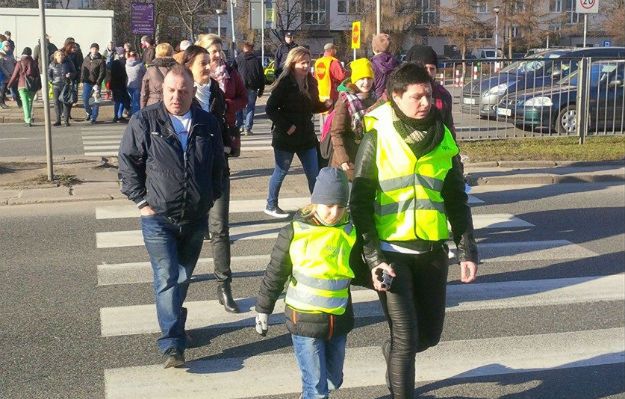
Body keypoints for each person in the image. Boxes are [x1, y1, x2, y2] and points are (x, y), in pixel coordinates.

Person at [349, 63, 478, 398]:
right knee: (405, 338)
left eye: (429, 95)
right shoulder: (378, 135)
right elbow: (359, 203)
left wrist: (467, 249)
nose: (426, 102)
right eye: (417, 96)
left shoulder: (444, 136)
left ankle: (393, 356)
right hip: (391, 255)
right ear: (396, 97)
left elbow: (455, 198)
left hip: (433, 252)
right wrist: (373, 257)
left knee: (428, 336)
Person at [118, 64, 226, 369]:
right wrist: (141, 202)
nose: (176, 97)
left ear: (193, 92)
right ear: (162, 89)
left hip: (194, 216)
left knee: (182, 276)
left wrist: (211, 195)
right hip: (158, 218)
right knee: (167, 277)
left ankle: (175, 319)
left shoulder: (206, 123)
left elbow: (218, 164)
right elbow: (127, 163)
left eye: (183, 91)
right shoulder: (145, 120)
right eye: (171, 90)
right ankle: (173, 344)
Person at [255, 167, 360, 399]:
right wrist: (263, 308)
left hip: (338, 319)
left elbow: (360, 267)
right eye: (329, 205)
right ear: (315, 202)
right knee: (316, 389)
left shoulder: (350, 230)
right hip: (303, 320)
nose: (334, 212)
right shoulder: (295, 231)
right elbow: (275, 271)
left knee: (334, 380)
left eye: (341, 206)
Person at [195, 35, 247, 312]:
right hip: (187, 173)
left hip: (217, 167)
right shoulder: (180, 89)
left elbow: (239, 100)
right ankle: (178, 287)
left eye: (217, 52)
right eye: (208, 54)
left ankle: (224, 286)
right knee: (187, 231)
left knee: (220, 229)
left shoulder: (216, 88)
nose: (214, 57)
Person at [265, 46, 331, 218]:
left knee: (314, 174)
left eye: (308, 63)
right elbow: (271, 109)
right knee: (281, 172)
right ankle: (271, 205)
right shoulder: (285, 83)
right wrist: (287, 126)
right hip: (285, 137)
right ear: (293, 63)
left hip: (306, 136)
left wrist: (324, 106)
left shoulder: (311, 81)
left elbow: (313, 106)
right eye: (302, 63)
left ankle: (318, 207)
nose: (305, 66)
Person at [328, 58, 377, 181]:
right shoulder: (345, 100)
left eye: (369, 78)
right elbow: (336, 132)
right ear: (355, 80)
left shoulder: (374, 98)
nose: (366, 82)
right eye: (361, 78)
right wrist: (343, 159)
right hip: (348, 161)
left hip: (367, 156)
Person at [405, 44, 456, 137]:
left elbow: (449, 127)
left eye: (432, 69)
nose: (428, 72)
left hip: (436, 146)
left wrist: (454, 148)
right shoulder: (400, 90)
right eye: (424, 68)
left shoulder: (443, 94)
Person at [235, 41, 265, 136]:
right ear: (252, 49)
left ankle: (239, 126)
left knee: (238, 106)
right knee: (250, 107)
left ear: (244, 48)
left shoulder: (238, 59)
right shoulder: (256, 60)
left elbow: (232, 72)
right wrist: (261, 89)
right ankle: (247, 128)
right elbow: (261, 75)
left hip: (239, 86)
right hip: (253, 87)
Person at [7, 47, 40, 127]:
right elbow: (38, 75)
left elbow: (14, 75)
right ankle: (29, 118)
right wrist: (39, 86)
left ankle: (27, 120)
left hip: (22, 85)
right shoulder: (34, 63)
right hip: (32, 86)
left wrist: (9, 85)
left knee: (25, 103)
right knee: (29, 102)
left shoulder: (20, 62)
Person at [140, 43, 176, 108]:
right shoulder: (180, 69)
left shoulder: (150, 69)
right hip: (174, 103)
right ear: (172, 52)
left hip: (154, 105)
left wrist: (142, 109)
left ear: (157, 54)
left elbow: (144, 93)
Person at [48, 50, 76, 126]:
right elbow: (49, 75)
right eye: (59, 55)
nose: (61, 56)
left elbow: (74, 72)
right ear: (55, 56)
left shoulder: (68, 63)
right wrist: (51, 81)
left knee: (65, 102)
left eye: (62, 55)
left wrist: (70, 75)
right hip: (56, 86)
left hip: (65, 85)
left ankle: (66, 121)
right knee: (56, 103)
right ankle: (58, 120)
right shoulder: (52, 64)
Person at [81, 42, 106, 123]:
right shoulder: (86, 58)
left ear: (98, 50)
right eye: (93, 48)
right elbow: (83, 69)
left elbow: (102, 73)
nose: (94, 50)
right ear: (90, 49)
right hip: (87, 82)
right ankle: (89, 112)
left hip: (96, 83)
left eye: (96, 49)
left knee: (95, 100)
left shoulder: (101, 60)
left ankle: (94, 117)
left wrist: (98, 83)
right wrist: (82, 80)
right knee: (85, 99)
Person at [370, 33, 399, 99]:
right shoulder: (396, 63)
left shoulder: (372, 64)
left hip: (376, 98)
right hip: (393, 96)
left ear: (374, 48)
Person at [110, 47, 130, 123]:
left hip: (119, 84)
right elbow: (114, 74)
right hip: (118, 84)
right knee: (119, 100)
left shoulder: (122, 61)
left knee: (121, 100)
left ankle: (119, 115)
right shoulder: (118, 62)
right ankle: (117, 116)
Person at [125, 50, 145, 116]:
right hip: (138, 85)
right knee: (136, 101)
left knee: (132, 101)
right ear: (136, 56)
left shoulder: (126, 64)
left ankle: (132, 113)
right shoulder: (140, 65)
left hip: (129, 84)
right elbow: (145, 73)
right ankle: (136, 116)